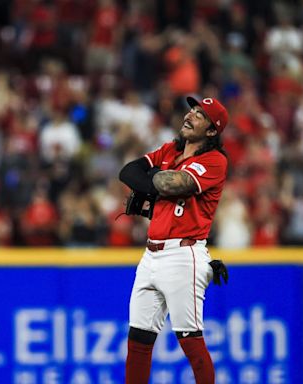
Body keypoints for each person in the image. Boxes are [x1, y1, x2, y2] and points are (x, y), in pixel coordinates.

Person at [119, 96, 230, 384]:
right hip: (151, 254)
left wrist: (154, 179)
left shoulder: (214, 161)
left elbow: (171, 183)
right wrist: (157, 180)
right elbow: (128, 171)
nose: (191, 115)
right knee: (138, 340)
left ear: (211, 131)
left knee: (190, 342)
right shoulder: (171, 150)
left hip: (184, 255)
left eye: (200, 115)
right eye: (192, 110)